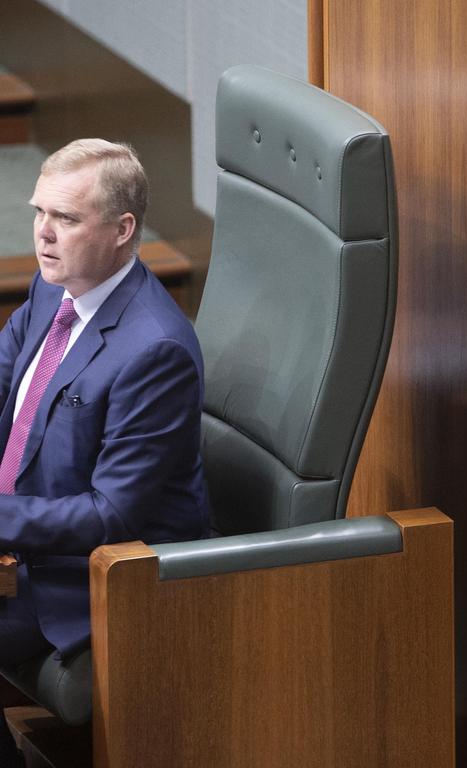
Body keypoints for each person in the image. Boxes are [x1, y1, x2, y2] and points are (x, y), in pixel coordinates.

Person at [0, 139, 207, 674]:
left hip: (76, 579)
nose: (43, 233)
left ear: (122, 229)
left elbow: (110, 514)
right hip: (21, 536)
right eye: (39, 212)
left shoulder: (155, 350)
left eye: (65, 218)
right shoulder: (55, 287)